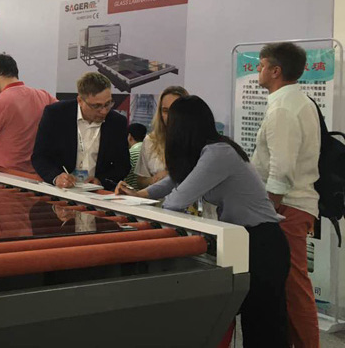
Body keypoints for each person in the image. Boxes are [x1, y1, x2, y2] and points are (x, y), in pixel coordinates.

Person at [116, 96, 290, 348]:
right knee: (254, 325)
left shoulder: (218, 153)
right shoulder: (206, 151)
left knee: (264, 329)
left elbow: (175, 200)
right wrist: (137, 195)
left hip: (262, 243)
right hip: (246, 240)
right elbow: (174, 180)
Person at [252, 42, 320, 348]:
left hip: (287, 209)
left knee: (294, 287)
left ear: (275, 71)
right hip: (288, 207)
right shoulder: (294, 101)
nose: (258, 70)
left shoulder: (283, 108)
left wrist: (267, 211)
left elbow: (282, 170)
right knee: (287, 287)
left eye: (262, 65)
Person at [31, 72, 130, 191]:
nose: (104, 111)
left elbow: (123, 165)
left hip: (96, 193)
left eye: (108, 104)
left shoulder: (117, 122)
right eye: (96, 106)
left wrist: (101, 180)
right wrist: (56, 177)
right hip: (61, 190)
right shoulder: (56, 114)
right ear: (80, 100)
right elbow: (40, 156)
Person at [134, 86, 190, 189]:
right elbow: (141, 181)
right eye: (165, 111)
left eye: (175, 110)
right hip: (156, 198)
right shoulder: (150, 140)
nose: (170, 116)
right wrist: (154, 179)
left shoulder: (196, 140)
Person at [124, 123, 147, 188]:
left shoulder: (129, 154)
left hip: (130, 192)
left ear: (129, 136)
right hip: (148, 193)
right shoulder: (150, 153)